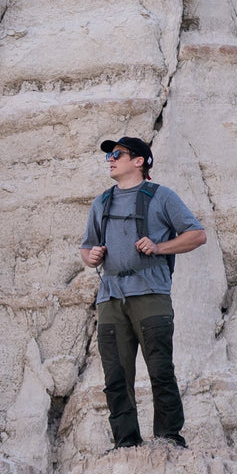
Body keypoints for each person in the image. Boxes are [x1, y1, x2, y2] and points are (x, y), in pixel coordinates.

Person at [80, 137, 206, 449]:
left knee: (160, 369)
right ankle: (126, 443)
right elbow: (86, 248)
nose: (110, 159)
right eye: (109, 155)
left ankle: (168, 439)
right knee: (115, 376)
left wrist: (159, 247)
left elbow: (197, 235)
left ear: (139, 161)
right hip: (110, 297)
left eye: (117, 154)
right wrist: (91, 256)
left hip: (151, 293)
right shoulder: (101, 202)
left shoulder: (162, 196)